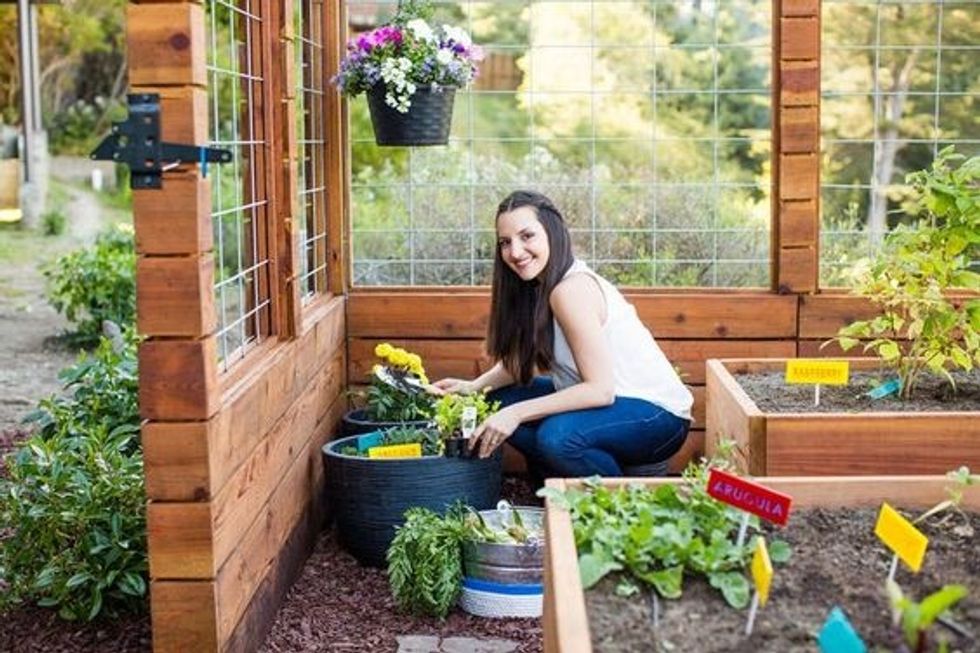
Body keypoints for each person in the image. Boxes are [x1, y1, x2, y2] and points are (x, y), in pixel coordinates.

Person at [432, 190, 693, 479]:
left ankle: (623, 500)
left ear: (553, 232)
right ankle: (565, 481)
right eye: (505, 242)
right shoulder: (538, 286)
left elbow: (600, 390)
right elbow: (520, 359)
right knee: (496, 401)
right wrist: (474, 388)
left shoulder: (571, 290)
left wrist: (516, 414)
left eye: (527, 236)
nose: (515, 252)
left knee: (557, 438)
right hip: (613, 408)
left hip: (657, 417)